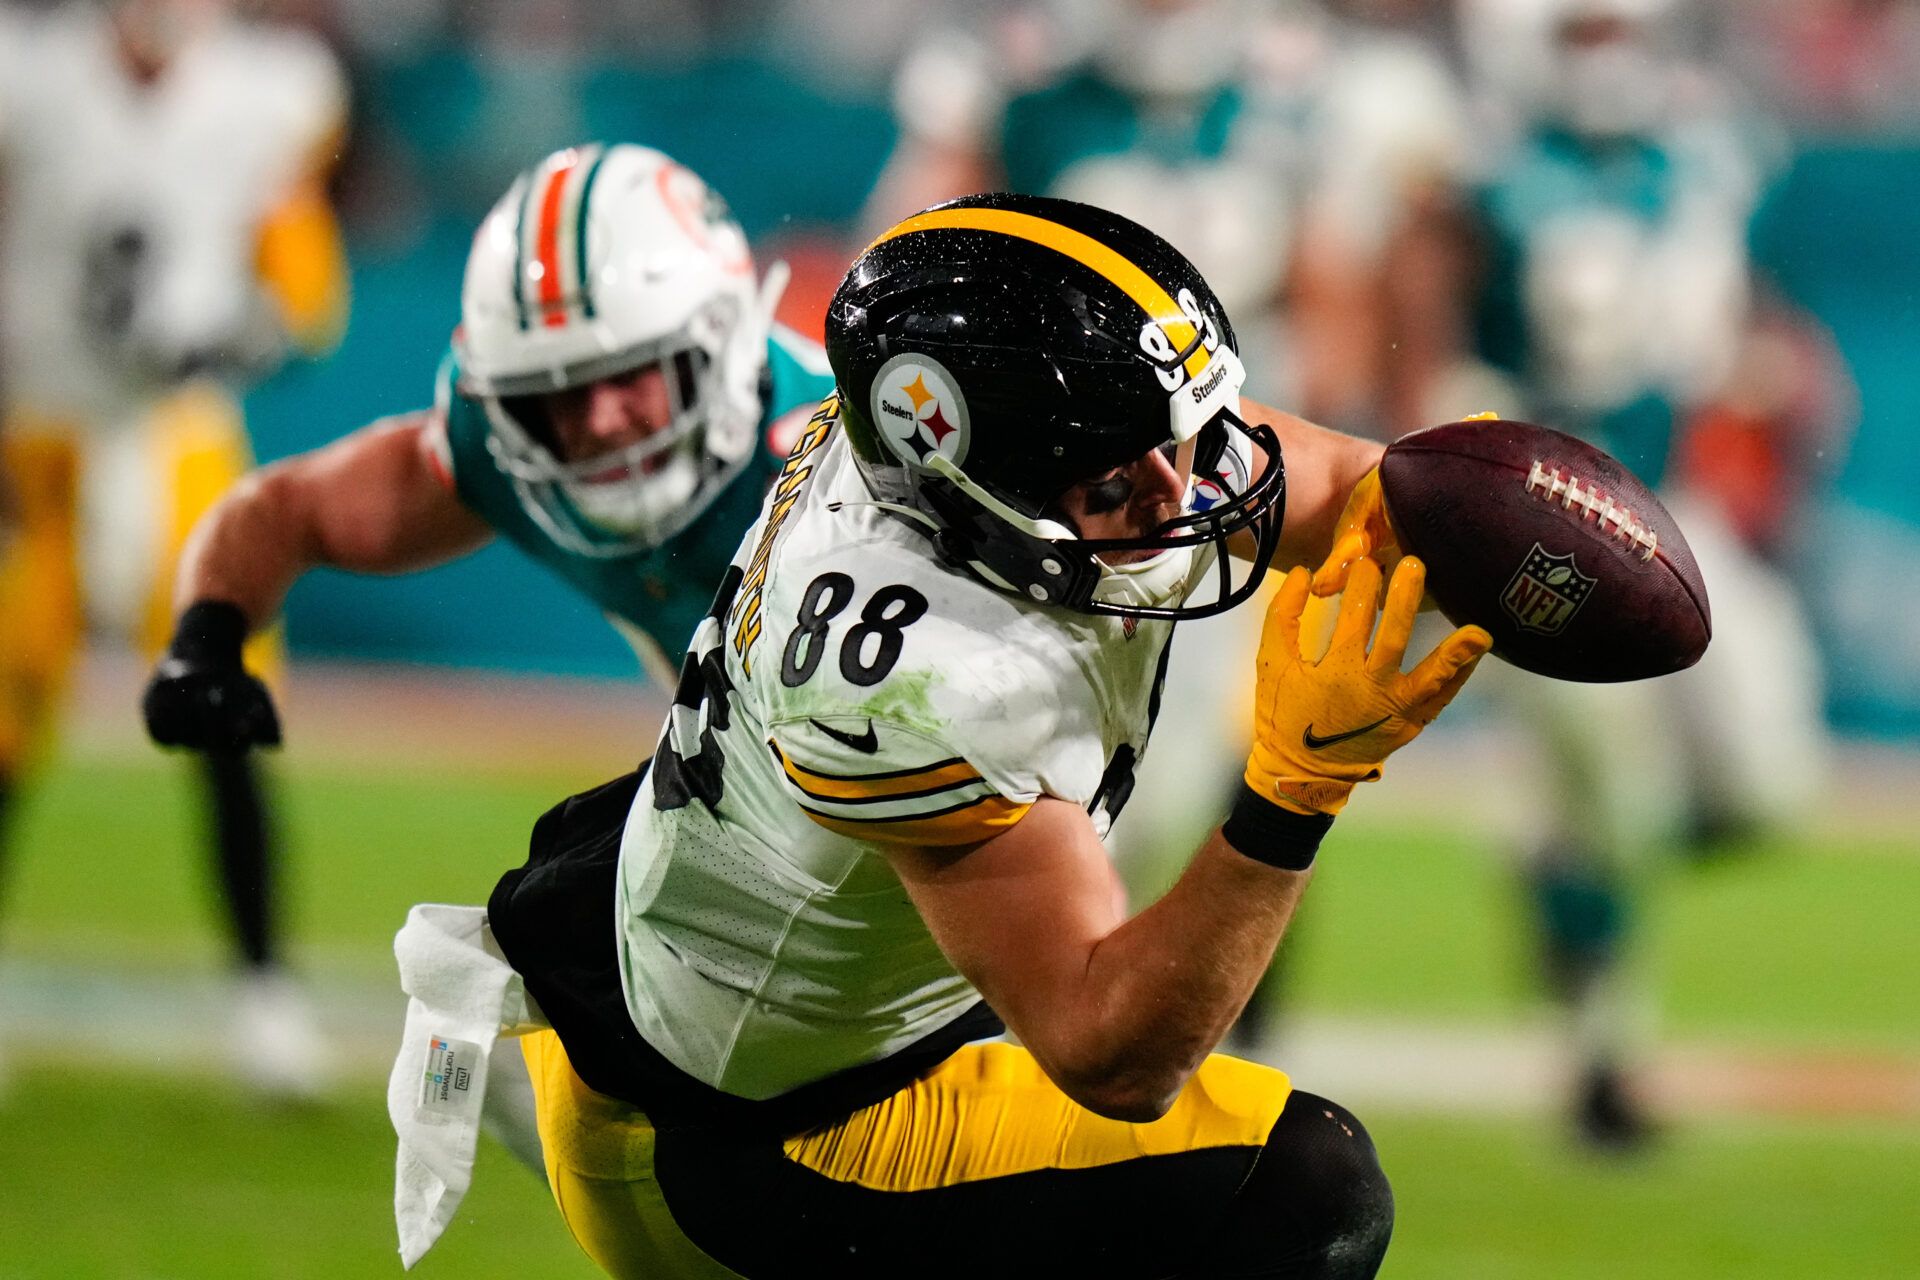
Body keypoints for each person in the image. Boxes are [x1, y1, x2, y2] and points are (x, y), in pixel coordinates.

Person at [392, 193, 1493, 1278]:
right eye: (1116, 471)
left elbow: (1340, 490)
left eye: (1184, 437)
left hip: (789, 1021)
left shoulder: (965, 474)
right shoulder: (911, 676)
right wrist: (1293, 790)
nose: (1179, 488)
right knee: (1301, 1191)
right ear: (977, 484)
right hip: (743, 1140)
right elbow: (1112, 1050)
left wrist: (1502, 525)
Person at [142, 142, 833, 1138]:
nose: (598, 423)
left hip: (918, 794)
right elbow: (287, 509)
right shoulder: (509, 452)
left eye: (632, 375)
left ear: (717, 339)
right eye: (559, 390)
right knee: (526, 1022)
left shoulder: (842, 478)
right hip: (766, 793)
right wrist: (208, 635)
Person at [864, 0, 1475, 1051]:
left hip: (1222, 455)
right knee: (1041, 759)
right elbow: (906, 255)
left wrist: (1304, 434)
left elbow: (1332, 293)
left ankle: (1186, 1023)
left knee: (1207, 759)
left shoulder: (1298, 81)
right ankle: (1009, 1010)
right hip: (1049, 484)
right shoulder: (1014, 69)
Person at [1437, 0, 1831, 1146]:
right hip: (1546, 522)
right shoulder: (1480, 163)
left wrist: (1765, 356)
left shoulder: (1699, 147)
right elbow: (1423, 313)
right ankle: (1605, 1058)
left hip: (1682, 508)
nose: (1604, 59)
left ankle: (1551, 859)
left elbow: (1727, 304)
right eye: (1582, 35)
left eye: (1617, 33)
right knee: (1613, 801)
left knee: (1768, 780)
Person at [0, 0, 348, 1096]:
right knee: (3, 717)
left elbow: (306, 287)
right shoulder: (29, 75)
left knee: (225, 713)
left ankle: (262, 995)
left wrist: (249, 329)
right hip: (34, 432)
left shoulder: (267, 94)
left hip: (174, 438)